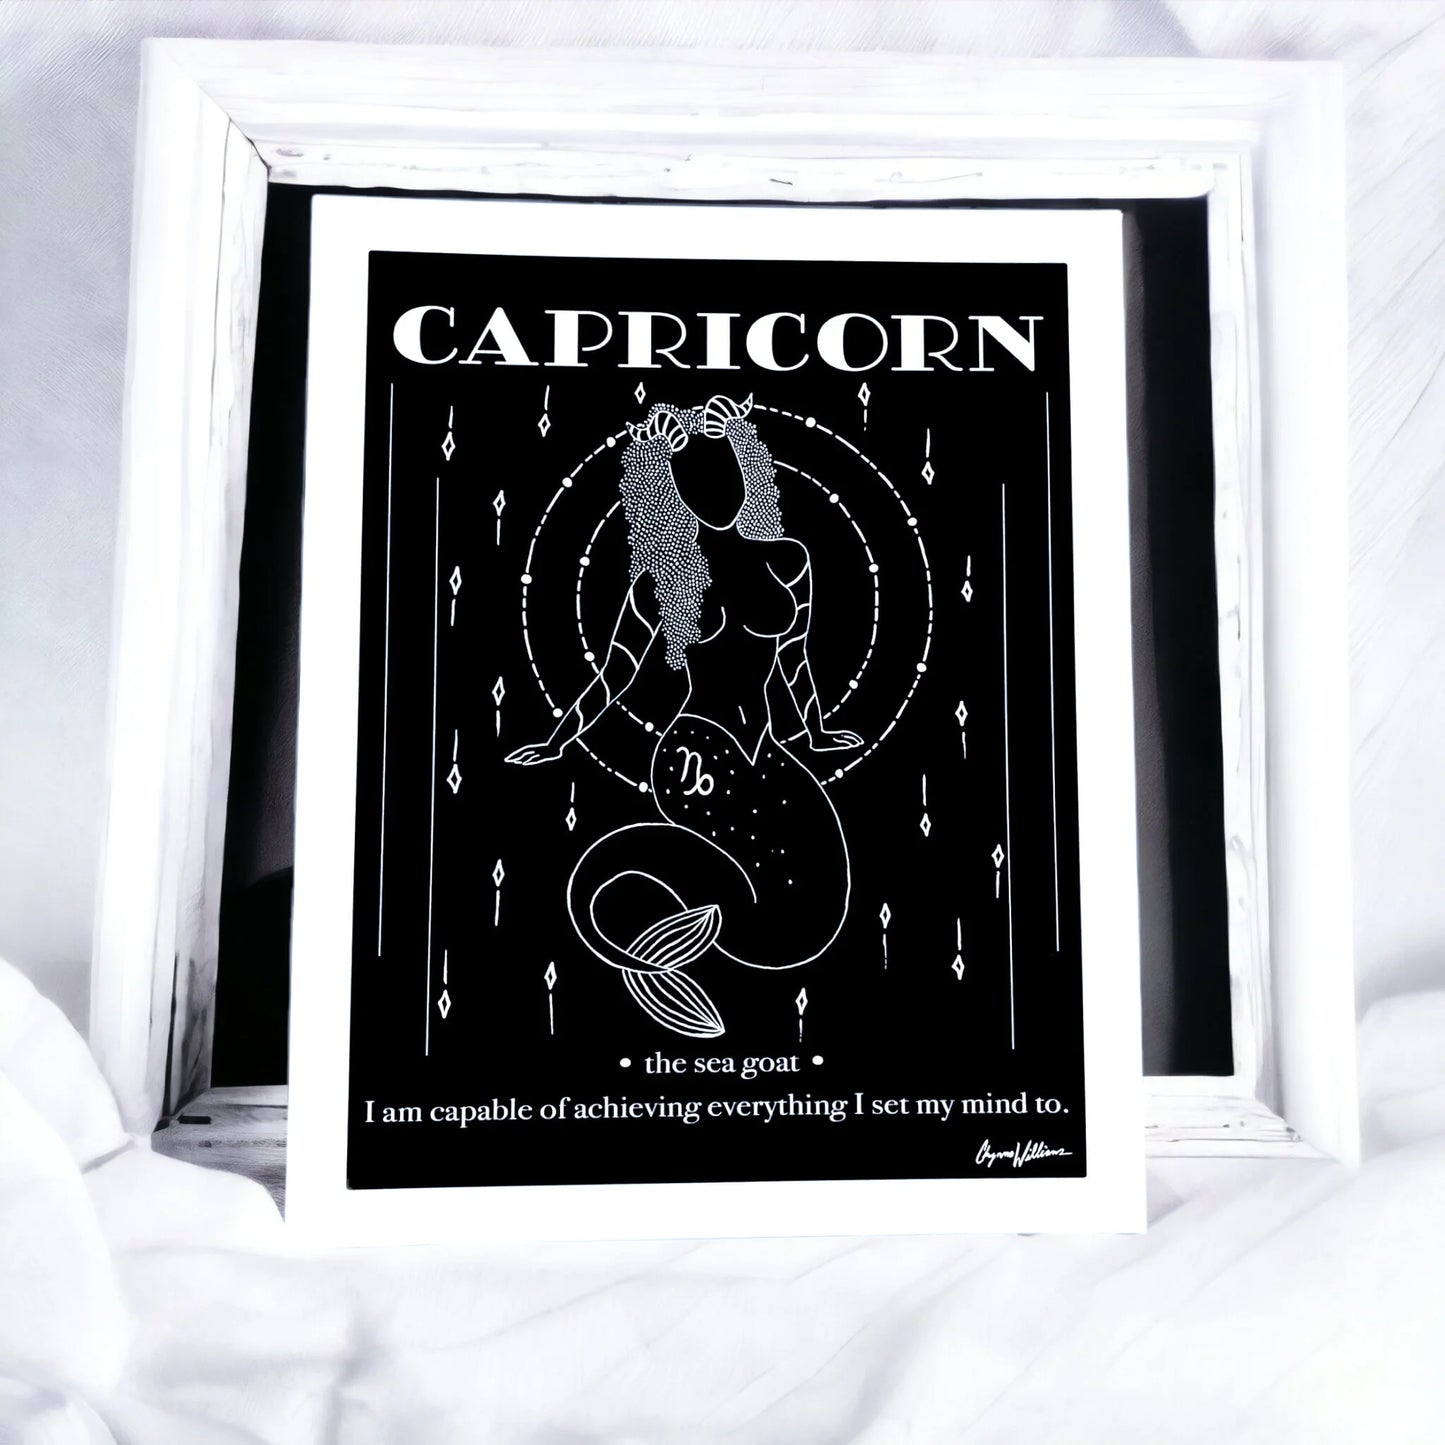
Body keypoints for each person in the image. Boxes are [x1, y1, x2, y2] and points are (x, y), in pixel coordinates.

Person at [506, 395, 860, 1037]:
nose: (715, 490)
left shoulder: (789, 559)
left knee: (814, 899)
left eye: (726, 470)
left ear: (748, 470)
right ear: (669, 489)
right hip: (696, 755)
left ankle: (656, 936)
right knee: (759, 900)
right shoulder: (661, 584)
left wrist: (814, 731)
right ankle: (650, 953)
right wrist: (558, 741)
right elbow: (614, 678)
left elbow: (795, 662)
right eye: (693, 478)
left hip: (764, 749)